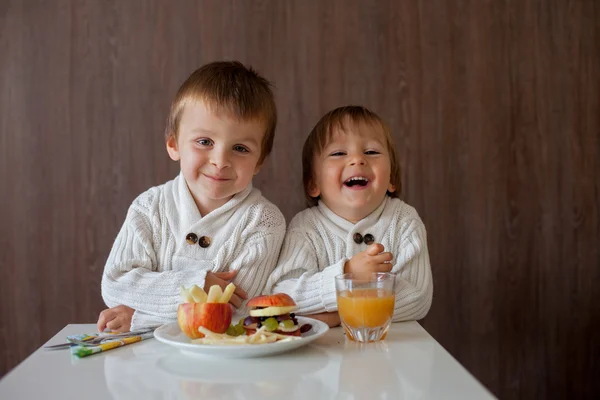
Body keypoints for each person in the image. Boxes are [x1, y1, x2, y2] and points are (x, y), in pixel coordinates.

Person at [97, 61, 286, 332]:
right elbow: (116, 284)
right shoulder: (149, 207)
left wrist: (139, 317)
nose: (220, 161)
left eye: (240, 148)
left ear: (259, 162)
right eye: (205, 142)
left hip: (227, 362)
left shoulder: (264, 221)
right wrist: (198, 285)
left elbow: (238, 312)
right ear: (174, 144)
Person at [265, 105, 432, 327]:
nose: (357, 160)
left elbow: (418, 298)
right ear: (313, 183)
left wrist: (340, 315)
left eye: (371, 152)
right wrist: (348, 273)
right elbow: (285, 295)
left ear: (391, 178)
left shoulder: (404, 221)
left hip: (392, 349)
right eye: (338, 153)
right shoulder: (305, 227)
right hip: (322, 356)